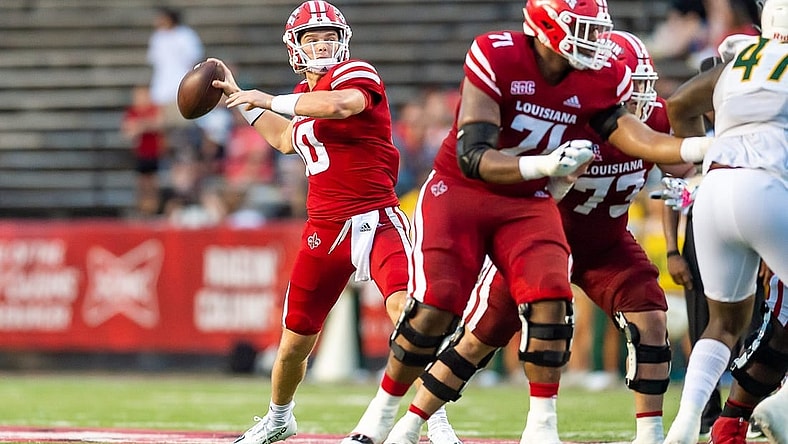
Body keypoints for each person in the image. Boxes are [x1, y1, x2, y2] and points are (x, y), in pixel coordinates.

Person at [342, 1, 714, 443]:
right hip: (492, 197)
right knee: (453, 324)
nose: (595, 49)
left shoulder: (604, 91)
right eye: (584, 31)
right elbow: (474, 155)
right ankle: (401, 420)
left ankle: (609, 432)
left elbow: (664, 160)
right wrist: (546, 167)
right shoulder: (499, 56)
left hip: (596, 236)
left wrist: (704, 149)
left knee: (615, 316)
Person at [207, 3, 460, 444]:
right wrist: (240, 99)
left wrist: (269, 99)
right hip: (324, 231)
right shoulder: (301, 99)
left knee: (408, 314)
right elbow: (286, 138)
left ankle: (432, 420)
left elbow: (343, 105)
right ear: (295, 47)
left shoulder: (354, 74)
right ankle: (279, 418)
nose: (322, 44)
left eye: (327, 36)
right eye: (311, 38)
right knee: (293, 344)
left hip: (378, 220)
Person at [662, 0, 788, 442]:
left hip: (712, 192)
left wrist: (699, 153)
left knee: (723, 322)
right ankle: (779, 406)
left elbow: (678, 104)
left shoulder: (739, 60)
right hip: (768, 188)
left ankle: (685, 424)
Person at [147, 6, 204, 130]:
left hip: (180, 83)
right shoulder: (158, 37)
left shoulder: (185, 36)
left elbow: (193, 59)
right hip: (162, 85)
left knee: (182, 123)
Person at [121, 84, 165, 217]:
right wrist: (145, 125)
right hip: (140, 154)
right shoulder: (132, 111)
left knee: (152, 183)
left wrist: (140, 126)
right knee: (142, 184)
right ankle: (143, 210)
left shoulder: (153, 109)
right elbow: (127, 131)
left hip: (153, 152)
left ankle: (153, 209)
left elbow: (158, 124)